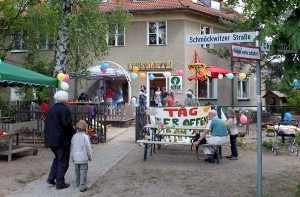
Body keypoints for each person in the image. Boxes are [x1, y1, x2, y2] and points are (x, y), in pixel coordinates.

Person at [44, 90, 76, 189]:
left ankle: (51, 177)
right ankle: (60, 183)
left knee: (58, 158)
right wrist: (73, 133)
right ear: (65, 99)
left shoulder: (52, 109)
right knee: (63, 161)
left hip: (51, 139)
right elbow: (67, 124)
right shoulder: (64, 109)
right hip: (61, 139)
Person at [71, 120, 92, 192]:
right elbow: (88, 147)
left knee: (77, 171)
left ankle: (78, 182)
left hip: (76, 157)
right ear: (85, 127)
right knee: (83, 171)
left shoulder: (74, 136)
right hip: (83, 157)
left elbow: (72, 147)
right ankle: (82, 185)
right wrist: (90, 156)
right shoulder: (85, 136)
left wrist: (72, 157)